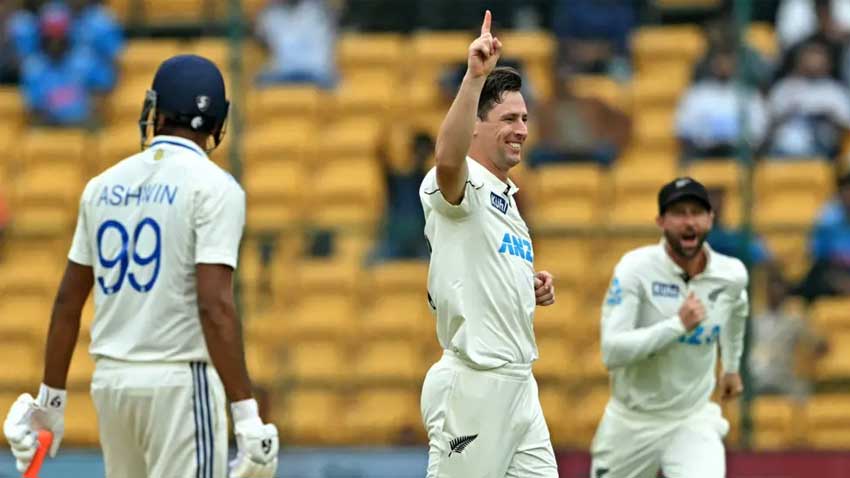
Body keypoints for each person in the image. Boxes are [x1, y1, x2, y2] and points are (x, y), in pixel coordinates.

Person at [2, 55, 278, 478]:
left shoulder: (102, 186)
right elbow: (215, 306)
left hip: (112, 385)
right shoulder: (217, 188)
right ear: (218, 123)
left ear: (157, 111)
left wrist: (50, 402)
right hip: (180, 383)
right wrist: (245, 414)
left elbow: (67, 302)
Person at [418, 11, 558, 477]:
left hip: (519, 384)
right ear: (475, 126)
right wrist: (474, 80)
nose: (521, 128)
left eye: (524, 118)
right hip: (474, 384)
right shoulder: (462, 183)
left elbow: (484, 269)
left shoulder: (504, 196)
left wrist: (528, 286)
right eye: (507, 119)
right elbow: (446, 158)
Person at [591, 177, 749, 478]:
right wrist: (678, 325)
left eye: (697, 213)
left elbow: (738, 311)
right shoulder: (635, 268)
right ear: (661, 221)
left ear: (711, 218)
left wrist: (731, 366)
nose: (689, 222)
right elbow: (612, 351)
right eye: (678, 213)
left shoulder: (731, 274)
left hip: (692, 418)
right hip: (631, 420)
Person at [20, 2, 115, 126]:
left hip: (84, 125)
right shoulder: (33, 67)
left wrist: (90, 111)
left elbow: (102, 93)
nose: (55, 43)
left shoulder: (86, 59)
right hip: (49, 129)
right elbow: (33, 109)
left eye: (59, 36)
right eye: (50, 37)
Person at [676, 46, 769, 160]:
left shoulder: (749, 94)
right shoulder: (697, 94)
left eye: (728, 62)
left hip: (738, 153)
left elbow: (758, 131)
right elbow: (684, 129)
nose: (724, 67)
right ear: (712, 64)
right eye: (720, 62)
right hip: (705, 152)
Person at [750, 272, 827, 402]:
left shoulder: (794, 320)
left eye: (779, 288)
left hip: (783, 378)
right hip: (758, 377)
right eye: (772, 288)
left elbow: (818, 344)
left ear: (785, 292)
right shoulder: (755, 320)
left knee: (804, 393)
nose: (776, 292)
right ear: (766, 291)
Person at [254, 0, 337, 89]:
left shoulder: (320, 10)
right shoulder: (271, 14)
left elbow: (335, 18)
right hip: (282, 72)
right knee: (258, 82)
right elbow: (260, 35)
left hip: (316, 72)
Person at [797, 166, 850, 300]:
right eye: (847, 189)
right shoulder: (827, 220)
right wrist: (840, 282)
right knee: (817, 275)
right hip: (833, 274)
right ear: (840, 193)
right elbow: (818, 257)